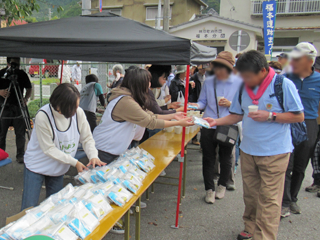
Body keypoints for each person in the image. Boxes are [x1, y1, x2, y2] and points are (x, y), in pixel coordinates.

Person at [204, 50, 304, 240]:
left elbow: (298, 115)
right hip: (248, 150)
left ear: (264, 71)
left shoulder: (283, 85)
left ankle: (264, 236)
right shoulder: (243, 87)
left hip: (275, 152)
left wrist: (271, 116)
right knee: (250, 195)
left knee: (269, 199)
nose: (246, 80)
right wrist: (216, 122)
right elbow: (236, 114)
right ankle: (250, 227)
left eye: (249, 76)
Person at [21, 83, 105, 210]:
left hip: (58, 168)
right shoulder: (43, 116)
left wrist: (93, 155)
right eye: (74, 106)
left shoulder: (79, 113)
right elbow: (48, 149)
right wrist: (75, 162)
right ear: (62, 107)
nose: (78, 109)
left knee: (54, 207)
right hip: (37, 165)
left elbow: (87, 138)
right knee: (28, 208)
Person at [93, 68, 194, 164]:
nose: (149, 85)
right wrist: (178, 123)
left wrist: (174, 115)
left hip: (112, 148)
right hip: (105, 149)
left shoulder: (130, 97)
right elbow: (150, 122)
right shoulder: (126, 101)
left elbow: (150, 115)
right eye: (147, 81)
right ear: (139, 83)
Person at [190, 51, 242, 202]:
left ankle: (222, 186)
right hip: (208, 123)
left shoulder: (239, 83)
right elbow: (202, 102)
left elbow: (243, 106)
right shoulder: (209, 81)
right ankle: (209, 189)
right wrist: (194, 105)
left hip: (228, 124)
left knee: (226, 159)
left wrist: (230, 104)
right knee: (208, 158)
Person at [281, 42, 320, 216]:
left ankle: (293, 199)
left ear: (309, 61)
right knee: (286, 163)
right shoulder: (286, 77)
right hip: (289, 121)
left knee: (300, 165)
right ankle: (285, 201)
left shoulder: (318, 80)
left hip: (310, 122)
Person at [0, 57, 32, 163]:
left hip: (18, 107)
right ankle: (1, 154)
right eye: (13, 63)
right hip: (4, 106)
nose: (15, 65)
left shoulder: (21, 74)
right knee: (1, 133)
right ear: (8, 62)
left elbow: (29, 88)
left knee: (20, 132)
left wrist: (26, 98)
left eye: (16, 63)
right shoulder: (2, 73)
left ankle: (20, 155)